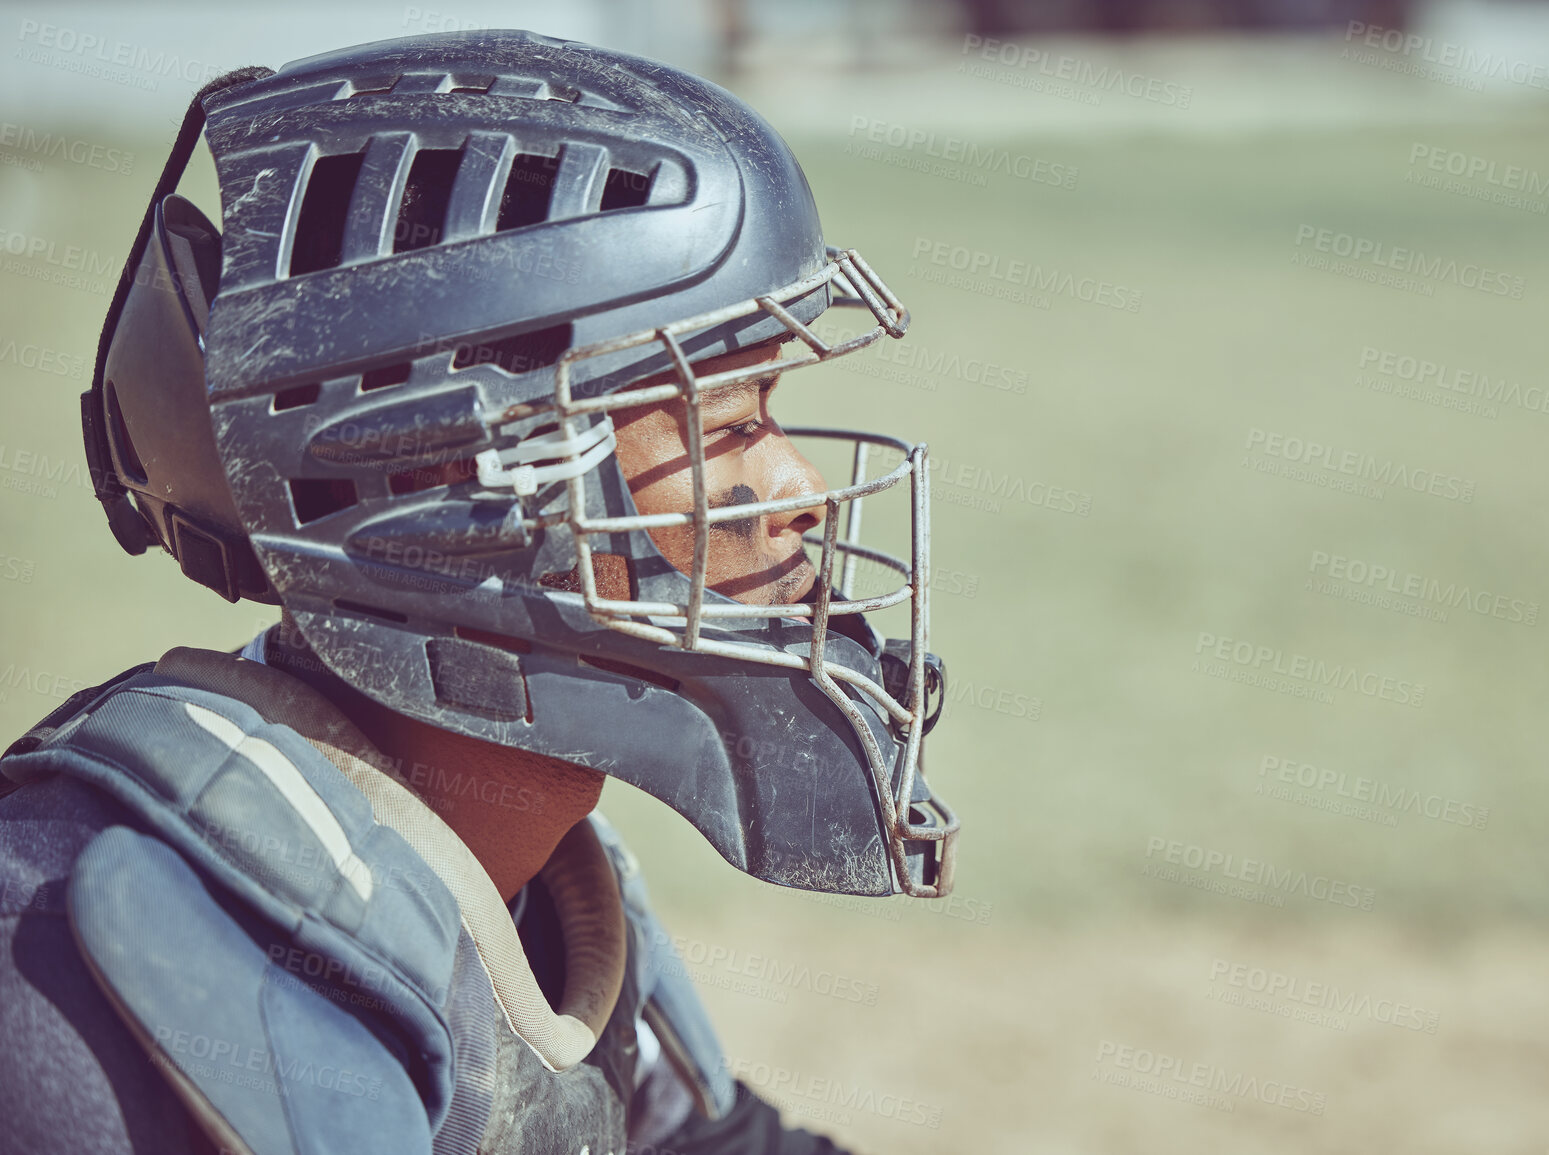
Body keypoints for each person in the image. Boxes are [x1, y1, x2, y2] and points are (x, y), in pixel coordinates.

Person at [0, 28, 960, 1155]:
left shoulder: (526, 893)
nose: (797, 488)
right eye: (730, 421)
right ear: (449, 492)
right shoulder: (91, 980)